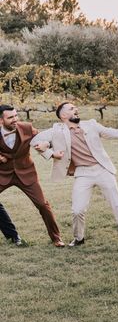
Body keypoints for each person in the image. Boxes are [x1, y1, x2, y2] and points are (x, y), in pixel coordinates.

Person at [32, 102, 118, 250]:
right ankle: (79, 238)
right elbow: (35, 141)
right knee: (77, 210)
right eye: (71, 109)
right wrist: (51, 153)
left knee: (117, 205)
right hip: (83, 173)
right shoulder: (57, 130)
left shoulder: (91, 124)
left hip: (102, 169)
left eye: (76, 108)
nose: (76, 109)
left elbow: (112, 132)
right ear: (63, 115)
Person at [0, 105, 64, 247]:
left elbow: (43, 140)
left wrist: (50, 150)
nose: (15, 119)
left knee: (43, 204)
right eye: (10, 117)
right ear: (0, 121)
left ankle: (56, 238)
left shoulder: (27, 127)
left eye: (16, 115)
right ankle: (12, 235)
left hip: (26, 172)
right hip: (2, 173)